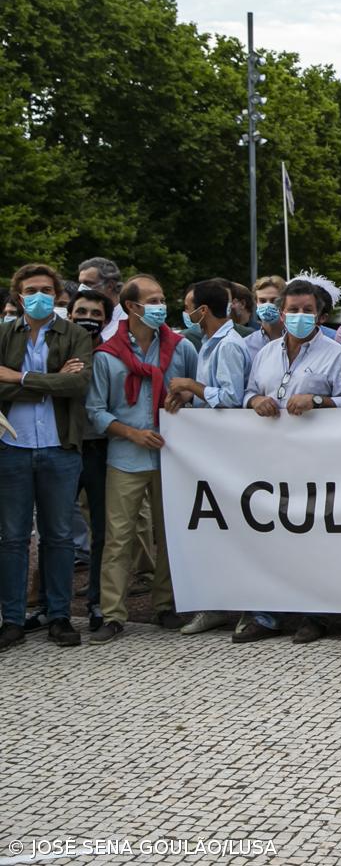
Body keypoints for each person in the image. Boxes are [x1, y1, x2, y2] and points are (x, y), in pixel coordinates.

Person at [233, 274, 341, 644]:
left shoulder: (337, 356)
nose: (300, 316)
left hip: (319, 464)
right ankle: (267, 615)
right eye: (293, 309)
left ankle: (316, 616)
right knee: (271, 537)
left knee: (316, 539)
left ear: (320, 315)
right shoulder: (264, 354)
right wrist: (255, 401)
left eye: (308, 310)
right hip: (271, 462)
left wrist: (318, 401)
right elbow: (249, 391)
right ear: (282, 313)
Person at [85, 273, 199, 644]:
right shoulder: (107, 355)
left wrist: (186, 396)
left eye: (162, 299)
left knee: (170, 534)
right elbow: (95, 411)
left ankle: (165, 605)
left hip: (173, 457)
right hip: (126, 457)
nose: (160, 307)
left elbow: (200, 392)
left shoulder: (181, 348)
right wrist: (131, 433)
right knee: (119, 538)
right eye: (152, 301)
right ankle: (113, 614)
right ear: (131, 307)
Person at [0, 264, 94, 650]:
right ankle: (12, 620)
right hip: (12, 447)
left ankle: (59, 616)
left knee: (59, 537)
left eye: (45, 289)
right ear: (18, 296)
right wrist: (53, 380)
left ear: (56, 294)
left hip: (60, 447)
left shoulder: (74, 334)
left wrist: (17, 377)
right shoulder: (4, 333)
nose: (38, 296)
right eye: (30, 290)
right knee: (12, 538)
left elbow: (78, 384)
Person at [164, 279, 253, 637]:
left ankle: (248, 606)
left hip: (229, 451)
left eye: (188, 307)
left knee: (238, 531)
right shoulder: (209, 342)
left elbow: (231, 398)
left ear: (202, 310)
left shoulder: (228, 345)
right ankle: (215, 603)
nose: (185, 313)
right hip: (212, 450)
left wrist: (190, 386)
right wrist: (192, 396)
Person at [68, 288, 113, 630]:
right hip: (63, 446)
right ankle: (51, 604)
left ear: (106, 321)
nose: (88, 319)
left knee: (102, 530)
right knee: (54, 531)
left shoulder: (110, 356)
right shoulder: (56, 352)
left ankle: (97, 602)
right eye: (81, 312)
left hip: (99, 449)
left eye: (96, 314)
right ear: (69, 315)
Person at [77, 256, 127, 340]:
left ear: (110, 286)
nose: (81, 289)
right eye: (81, 283)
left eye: (88, 283)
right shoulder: (76, 317)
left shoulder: (129, 320)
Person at [245, 275, 287, 361]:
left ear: (285, 302)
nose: (268, 305)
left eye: (274, 300)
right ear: (256, 302)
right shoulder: (246, 344)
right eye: (262, 301)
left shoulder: (297, 340)